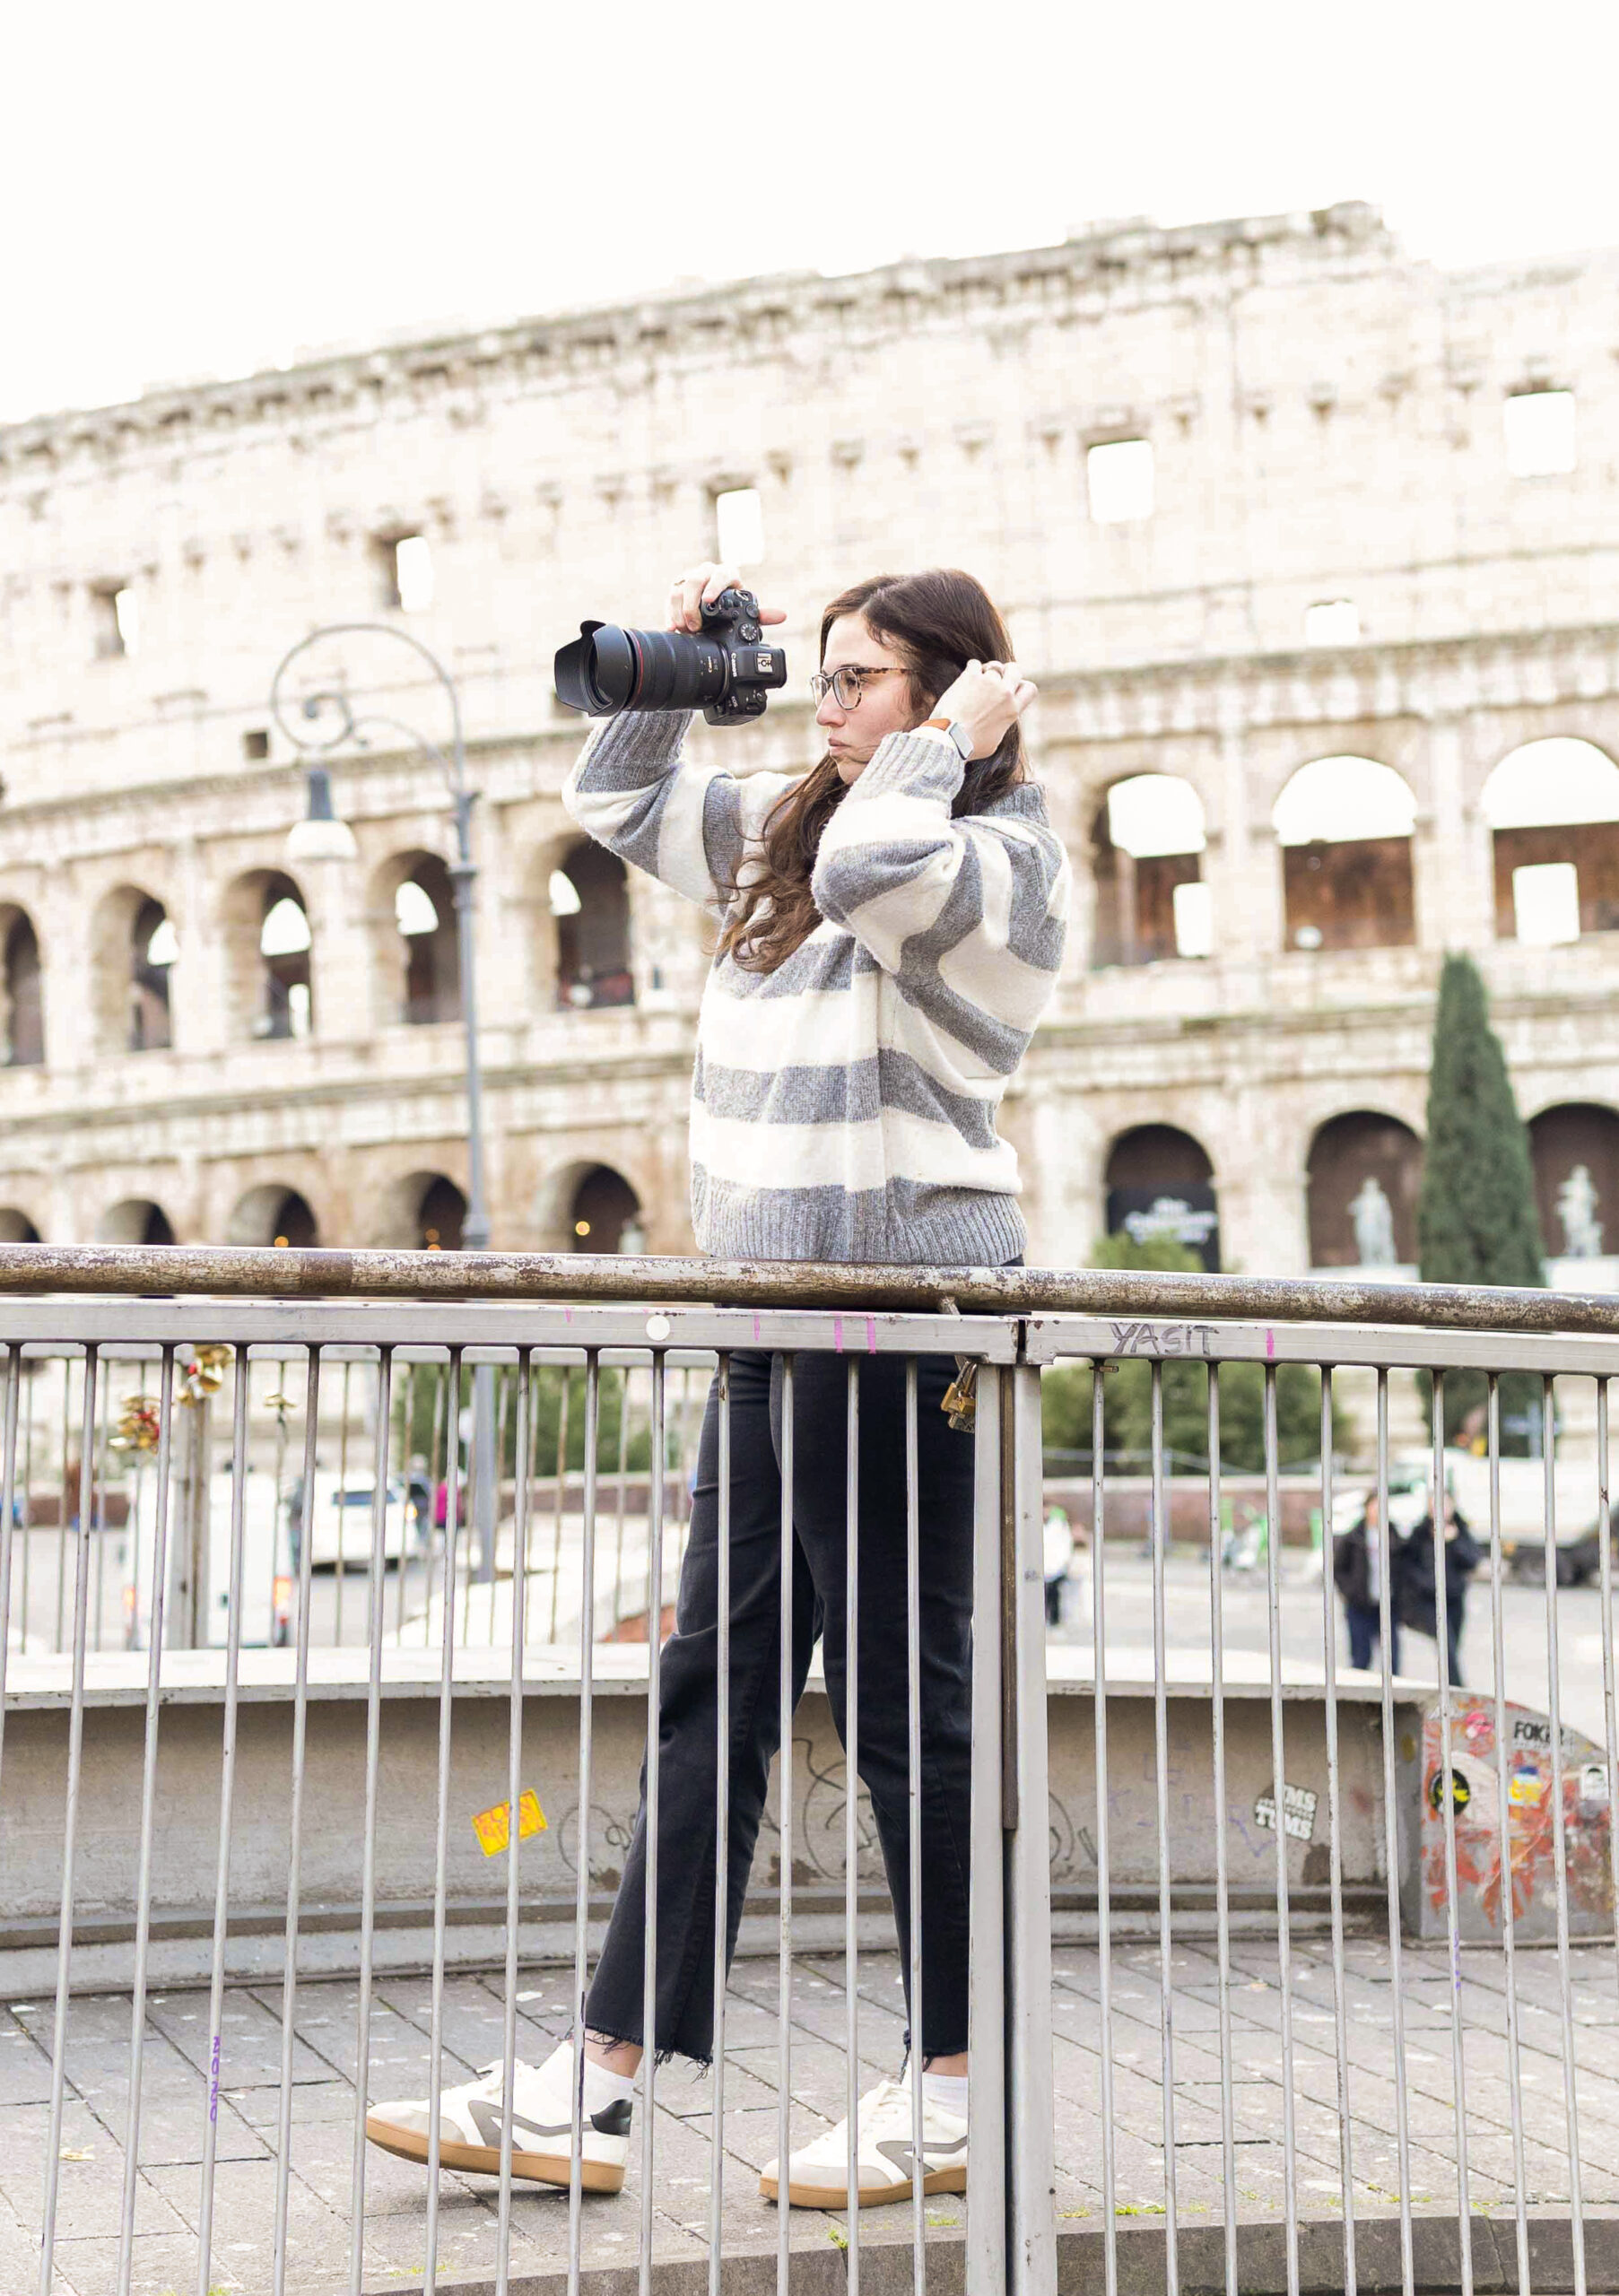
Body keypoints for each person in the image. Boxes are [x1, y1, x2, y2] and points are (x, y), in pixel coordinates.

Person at [365, 563, 1068, 2209]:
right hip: (771, 1321)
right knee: (713, 1691)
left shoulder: (1002, 864)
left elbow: (880, 856)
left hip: (900, 1321)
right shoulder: (795, 838)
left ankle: (959, 2088)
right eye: (821, 676)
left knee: (910, 1709)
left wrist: (943, 753)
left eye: (868, 679)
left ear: (959, 694)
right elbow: (611, 795)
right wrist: (687, 668)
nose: (831, 705)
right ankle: (595, 2088)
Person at [1394, 1492, 1480, 1685]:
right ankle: (1458, 1690)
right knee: (1446, 1644)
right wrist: (1426, 1583)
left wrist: (1453, 1541)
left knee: (1452, 1649)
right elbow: (1407, 1566)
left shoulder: (1460, 1531)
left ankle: (1449, 1687)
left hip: (1455, 1600)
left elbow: (1472, 1561)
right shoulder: (1420, 1534)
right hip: (1428, 1601)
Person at [1332, 1492, 1399, 1673]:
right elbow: (1338, 1569)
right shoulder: (1354, 1537)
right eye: (1375, 1506)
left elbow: (1404, 1566)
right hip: (1360, 1606)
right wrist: (1351, 1592)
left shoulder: (1393, 1534)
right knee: (1361, 1658)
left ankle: (1393, 1699)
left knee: (1392, 1658)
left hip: (1387, 1605)